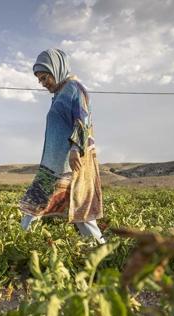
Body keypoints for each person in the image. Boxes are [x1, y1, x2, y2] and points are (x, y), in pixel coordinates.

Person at [19, 48, 105, 244]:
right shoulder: (59, 94)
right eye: (40, 80)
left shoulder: (75, 89)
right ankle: (21, 241)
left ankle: (102, 250)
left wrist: (75, 149)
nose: (43, 83)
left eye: (44, 77)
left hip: (71, 163)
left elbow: (83, 121)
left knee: (80, 212)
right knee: (35, 205)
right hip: (54, 164)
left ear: (56, 69)